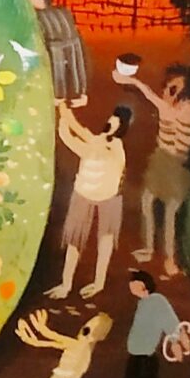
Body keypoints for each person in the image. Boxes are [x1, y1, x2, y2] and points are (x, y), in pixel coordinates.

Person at [127, 68, 190, 277]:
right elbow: (146, 91)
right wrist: (132, 81)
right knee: (147, 202)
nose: (166, 92)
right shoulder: (165, 106)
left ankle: (170, 259)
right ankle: (149, 248)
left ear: (186, 89)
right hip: (161, 162)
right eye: (167, 87)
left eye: (173, 88)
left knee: (171, 212)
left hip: (178, 166)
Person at [49, 100, 129, 299]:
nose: (110, 127)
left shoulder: (115, 147)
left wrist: (65, 110)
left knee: (106, 239)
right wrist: (64, 114)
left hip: (108, 197)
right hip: (83, 194)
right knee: (75, 239)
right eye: (110, 122)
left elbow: (80, 133)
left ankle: (99, 282)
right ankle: (66, 284)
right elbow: (68, 136)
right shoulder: (94, 144)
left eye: (116, 124)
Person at [122, 271, 182, 378]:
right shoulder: (142, 303)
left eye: (134, 284)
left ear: (144, 285)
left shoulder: (157, 301)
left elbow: (170, 321)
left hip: (147, 354)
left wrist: (175, 342)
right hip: (134, 352)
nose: (131, 287)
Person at [28, 0, 89, 100]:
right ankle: (71, 94)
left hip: (60, 43)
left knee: (63, 70)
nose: (30, 0)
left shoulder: (39, 15)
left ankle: (65, 95)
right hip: (69, 42)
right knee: (71, 69)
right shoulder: (62, 10)